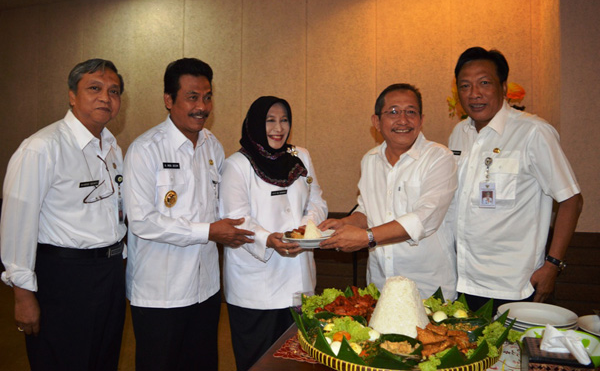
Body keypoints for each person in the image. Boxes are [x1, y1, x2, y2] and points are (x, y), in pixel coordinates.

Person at [123, 58, 254, 371]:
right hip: (160, 295)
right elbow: (142, 221)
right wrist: (208, 232)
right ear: (169, 100)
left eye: (207, 97)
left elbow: (226, 207)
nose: (202, 106)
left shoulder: (213, 147)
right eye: (192, 97)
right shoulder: (145, 149)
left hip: (206, 290)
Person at [0, 59, 127, 370]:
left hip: (110, 274)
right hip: (64, 278)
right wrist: (23, 295)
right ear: (72, 95)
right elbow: (18, 223)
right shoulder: (41, 148)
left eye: (113, 91)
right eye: (94, 89)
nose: (105, 98)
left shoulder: (112, 147)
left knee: (103, 359)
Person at [448, 46, 583, 313]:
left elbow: (572, 200)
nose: (474, 93)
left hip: (514, 286)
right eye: (465, 86)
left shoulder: (533, 133)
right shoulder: (459, 133)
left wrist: (552, 264)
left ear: (503, 87)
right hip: (461, 281)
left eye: (484, 83)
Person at [319, 84, 458, 300]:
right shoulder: (370, 160)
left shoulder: (439, 157)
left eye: (411, 112)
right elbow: (368, 210)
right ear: (376, 122)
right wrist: (346, 223)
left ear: (421, 120)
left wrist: (368, 237)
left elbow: (425, 218)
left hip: (429, 288)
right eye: (393, 112)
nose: (403, 120)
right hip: (381, 285)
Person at [219, 96, 327, 370]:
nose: (279, 128)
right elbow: (236, 220)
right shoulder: (237, 165)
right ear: (255, 123)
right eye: (270, 121)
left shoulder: (299, 156)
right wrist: (268, 238)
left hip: (299, 280)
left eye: (284, 120)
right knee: (259, 363)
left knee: (300, 360)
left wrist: (306, 227)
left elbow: (318, 200)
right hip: (257, 287)